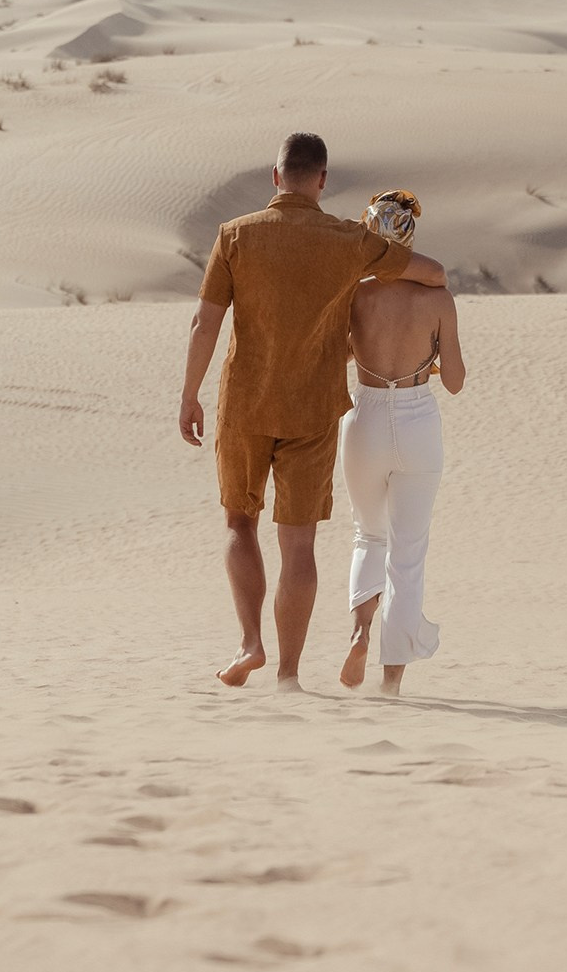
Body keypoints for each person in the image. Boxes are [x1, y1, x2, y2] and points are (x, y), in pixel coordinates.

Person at [179, 133, 448, 690]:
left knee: (238, 521)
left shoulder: (235, 235)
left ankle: (250, 642)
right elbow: (429, 271)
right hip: (313, 409)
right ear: (322, 180)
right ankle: (288, 674)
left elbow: (205, 323)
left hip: (245, 405)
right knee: (297, 542)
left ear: (275, 177)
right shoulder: (349, 240)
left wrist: (189, 395)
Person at [340, 195, 465, 696]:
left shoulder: (354, 295)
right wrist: (430, 358)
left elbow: (339, 356)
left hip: (364, 415)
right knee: (407, 554)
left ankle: (359, 631)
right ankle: (391, 680)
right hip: (416, 420)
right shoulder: (437, 300)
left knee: (367, 535)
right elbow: (454, 381)